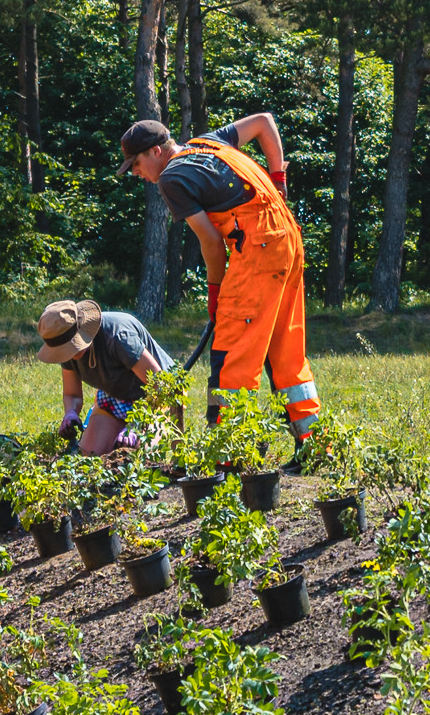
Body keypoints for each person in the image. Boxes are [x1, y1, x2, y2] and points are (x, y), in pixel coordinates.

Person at [121, 111, 319, 450]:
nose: (137, 173)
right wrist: (278, 179)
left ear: (156, 151)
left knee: (231, 353)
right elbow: (264, 122)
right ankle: (313, 446)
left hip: (258, 251)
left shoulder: (171, 178)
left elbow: (212, 243)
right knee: (284, 351)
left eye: (136, 164)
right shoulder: (208, 143)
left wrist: (216, 292)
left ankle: (232, 451)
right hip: (288, 239)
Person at [32, 297, 173, 456]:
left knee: (139, 454)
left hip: (157, 397)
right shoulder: (65, 351)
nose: (68, 354)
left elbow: (160, 385)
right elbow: (72, 394)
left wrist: (137, 425)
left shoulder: (119, 336)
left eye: (70, 347)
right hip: (115, 396)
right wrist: (71, 412)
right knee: (89, 456)